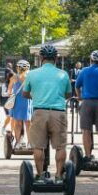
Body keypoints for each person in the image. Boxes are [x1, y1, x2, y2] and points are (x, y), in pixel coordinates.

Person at [23, 45, 72, 181]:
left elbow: (25, 93)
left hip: (39, 112)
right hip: (58, 112)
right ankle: (58, 175)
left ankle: (39, 175)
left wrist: (37, 97)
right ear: (56, 58)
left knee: (38, 146)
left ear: (41, 58)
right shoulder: (63, 74)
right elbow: (68, 94)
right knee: (60, 146)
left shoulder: (32, 74)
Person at [9, 59, 33, 149]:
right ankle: (30, 143)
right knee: (28, 124)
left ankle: (18, 143)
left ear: (18, 68)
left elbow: (9, 91)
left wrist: (12, 93)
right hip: (27, 101)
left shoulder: (14, 77)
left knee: (18, 123)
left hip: (17, 102)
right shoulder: (30, 77)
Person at [0, 59, 16, 133]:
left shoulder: (15, 83)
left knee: (13, 117)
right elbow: (3, 94)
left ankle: (13, 131)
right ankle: (3, 128)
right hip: (7, 102)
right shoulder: (4, 84)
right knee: (9, 116)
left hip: (13, 101)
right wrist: (10, 93)